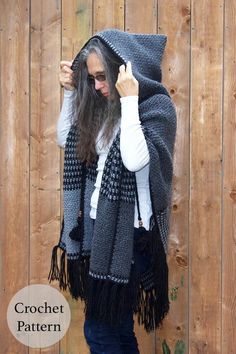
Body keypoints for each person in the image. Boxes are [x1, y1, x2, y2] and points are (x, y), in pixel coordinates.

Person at [49, 29, 176, 354]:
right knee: (116, 330)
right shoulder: (102, 112)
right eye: (91, 78)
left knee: (100, 331)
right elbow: (67, 140)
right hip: (100, 234)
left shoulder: (156, 107)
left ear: (124, 70)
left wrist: (131, 100)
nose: (98, 86)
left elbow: (135, 160)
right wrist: (70, 94)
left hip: (130, 239)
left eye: (103, 77)